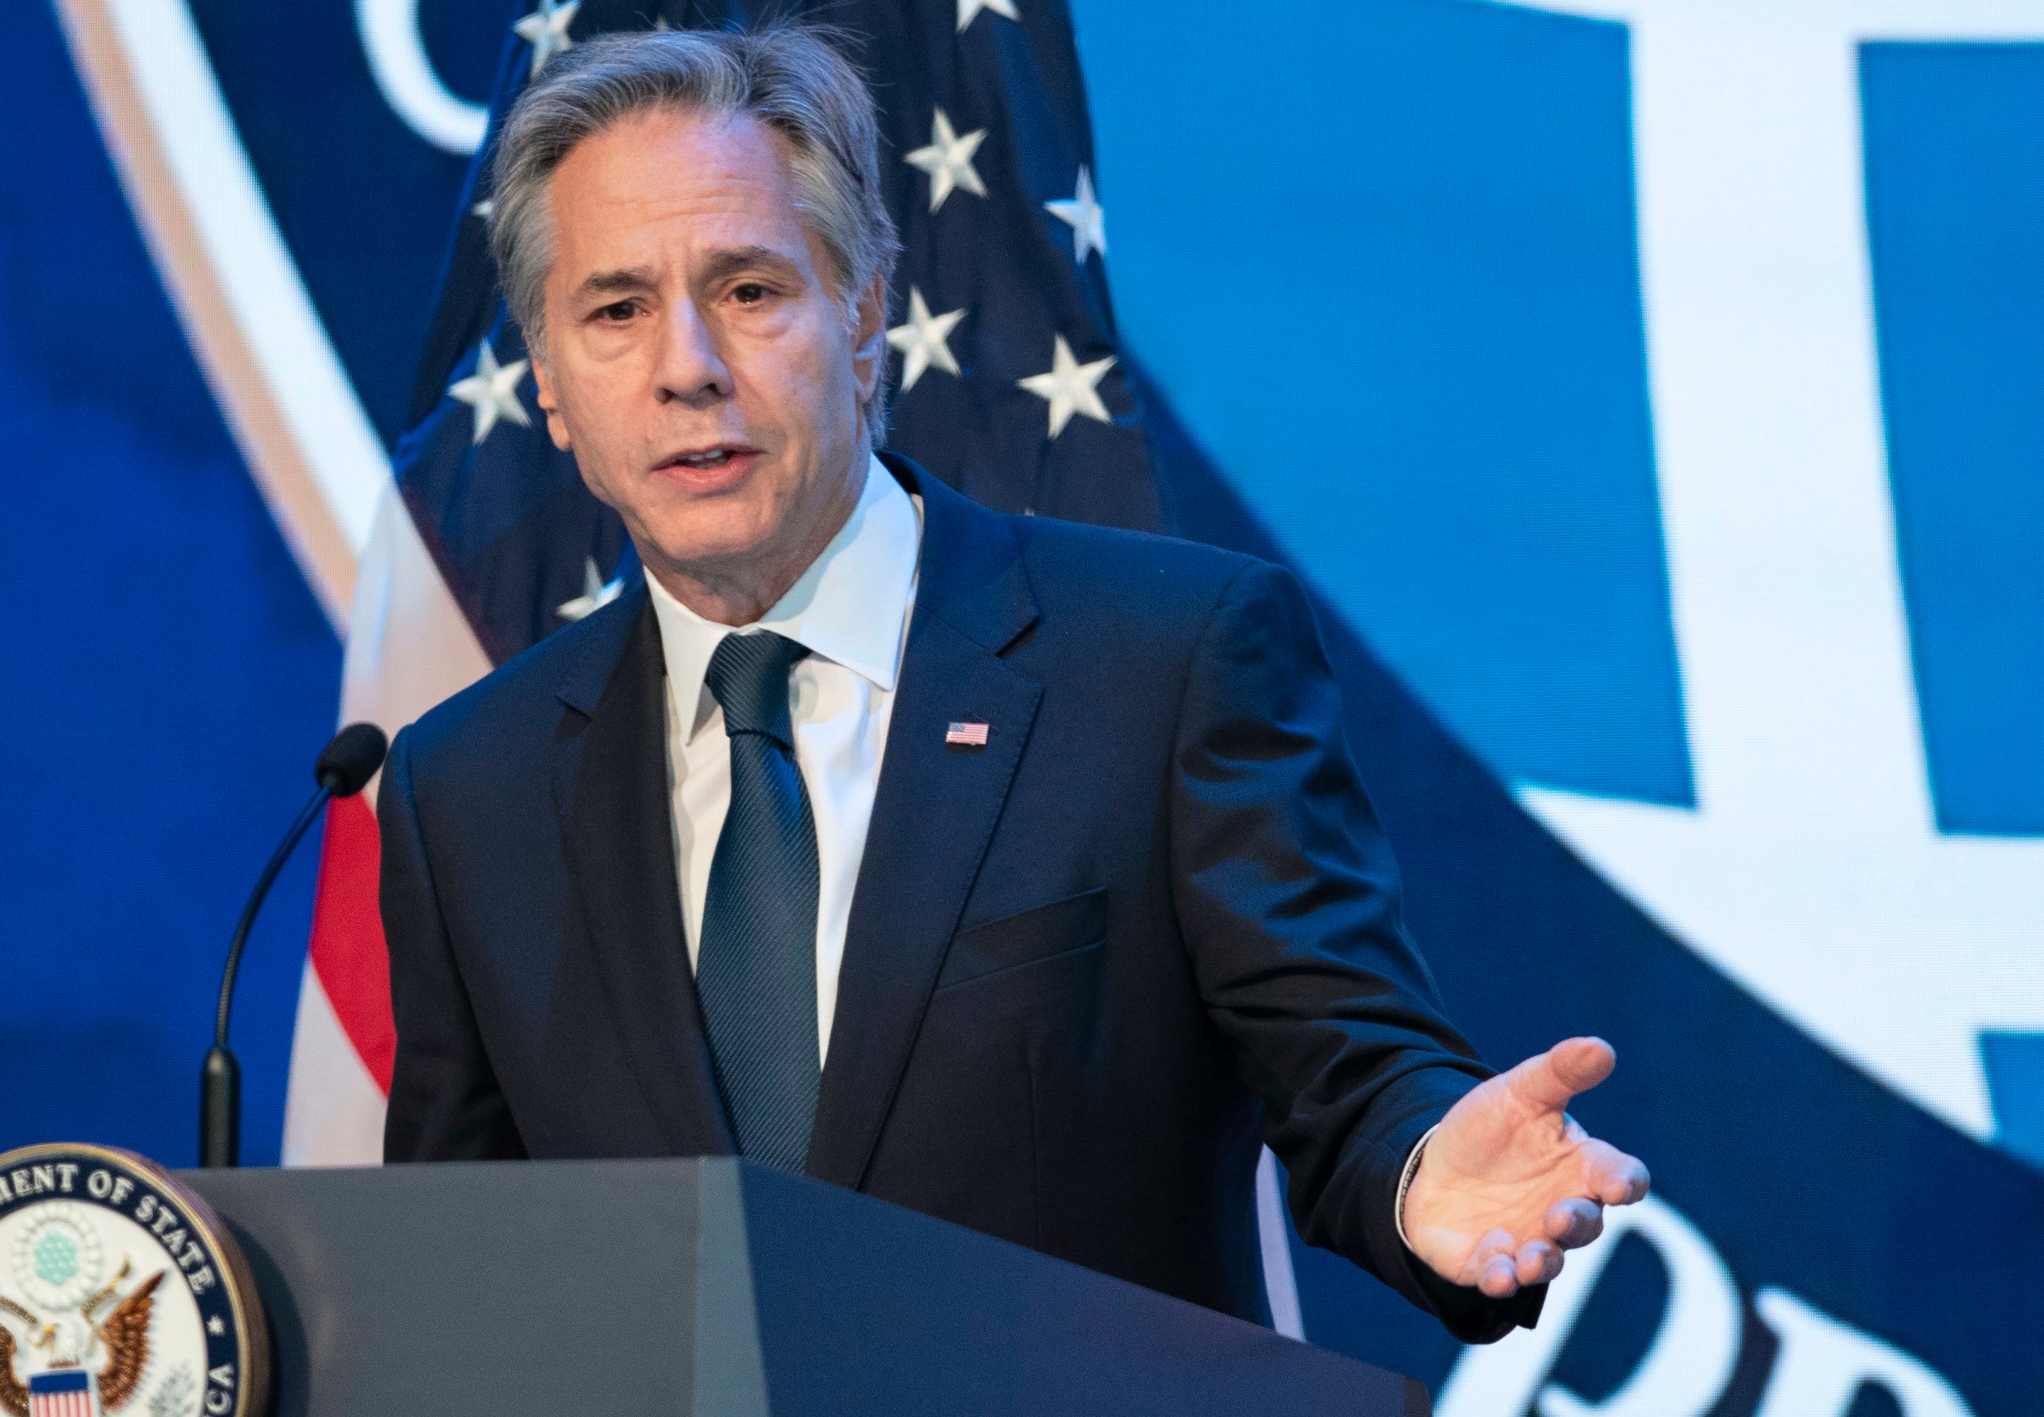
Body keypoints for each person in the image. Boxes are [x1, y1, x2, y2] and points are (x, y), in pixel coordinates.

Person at [378, 25, 1648, 1342]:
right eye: (616, 309)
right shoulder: (467, 786)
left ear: (865, 309)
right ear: (552, 392)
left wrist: (1421, 1170)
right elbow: (461, 1270)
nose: (685, 365)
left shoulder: (1160, 665)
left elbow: (1346, 1066)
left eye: (749, 290)